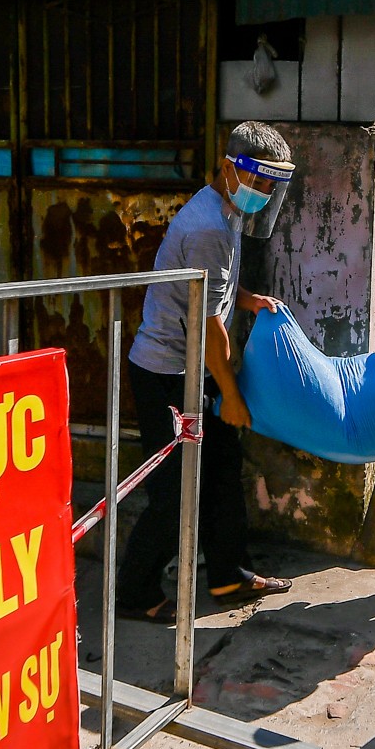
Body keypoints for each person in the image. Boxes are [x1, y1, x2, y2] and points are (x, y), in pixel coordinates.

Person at [116, 121, 296, 623]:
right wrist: (233, 397)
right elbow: (210, 329)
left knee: (220, 472)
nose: (262, 193)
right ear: (228, 169)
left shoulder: (226, 210)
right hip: (167, 374)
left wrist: (246, 298)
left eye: (269, 187)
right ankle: (134, 594)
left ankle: (228, 574)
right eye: (257, 181)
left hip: (196, 367)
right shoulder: (209, 229)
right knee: (173, 494)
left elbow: (211, 290)